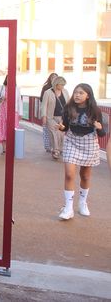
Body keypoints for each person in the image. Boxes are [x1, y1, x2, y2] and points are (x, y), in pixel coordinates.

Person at [57, 84, 106, 220]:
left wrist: (99, 127)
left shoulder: (95, 110)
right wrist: (61, 127)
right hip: (72, 141)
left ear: (88, 95)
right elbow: (65, 127)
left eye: (81, 93)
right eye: (75, 93)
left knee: (85, 176)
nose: (77, 95)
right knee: (69, 174)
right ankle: (68, 208)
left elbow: (102, 133)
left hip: (89, 143)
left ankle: (83, 203)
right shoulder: (68, 108)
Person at [0, 75, 22, 154]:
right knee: (3, 130)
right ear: (6, 79)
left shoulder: (17, 89)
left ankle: (12, 148)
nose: (10, 80)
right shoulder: (1, 87)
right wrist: (0, 98)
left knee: (13, 130)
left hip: (13, 112)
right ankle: (4, 149)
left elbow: (19, 101)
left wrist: (20, 113)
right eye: (8, 79)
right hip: (2, 112)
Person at [42, 76, 70, 160]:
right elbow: (44, 106)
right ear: (56, 84)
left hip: (62, 117)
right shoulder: (48, 93)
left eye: (63, 85)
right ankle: (55, 150)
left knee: (61, 133)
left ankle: (60, 148)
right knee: (53, 132)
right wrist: (44, 116)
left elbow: (68, 104)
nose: (62, 86)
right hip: (51, 117)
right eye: (61, 84)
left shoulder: (65, 92)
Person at [40, 73, 58, 153]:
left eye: (56, 78)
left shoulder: (60, 89)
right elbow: (42, 99)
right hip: (48, 112)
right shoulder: (46, 88)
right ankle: (49, 147)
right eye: (53, 77)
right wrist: (44, 115)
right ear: (50, 78)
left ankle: (56, 147)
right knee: (47, 130)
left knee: (57, 131)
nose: (54, 79)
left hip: (57, 113)